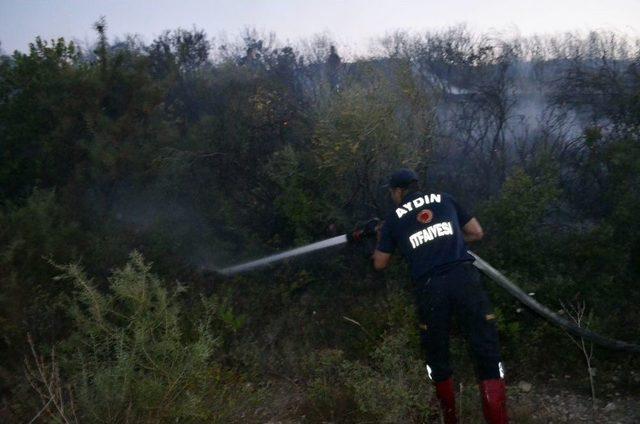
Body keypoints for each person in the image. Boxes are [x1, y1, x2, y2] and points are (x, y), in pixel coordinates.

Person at [372, 168, 508, 424]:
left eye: (392, 192)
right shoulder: (444, 198)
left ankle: (450, 418)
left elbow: (380, 263)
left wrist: (384, 237)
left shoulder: (394, 218)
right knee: (486, 351)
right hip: (465, 280)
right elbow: (477, 232)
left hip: (430, 288)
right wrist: (451, 244)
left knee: (437, 356)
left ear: (398, 191)